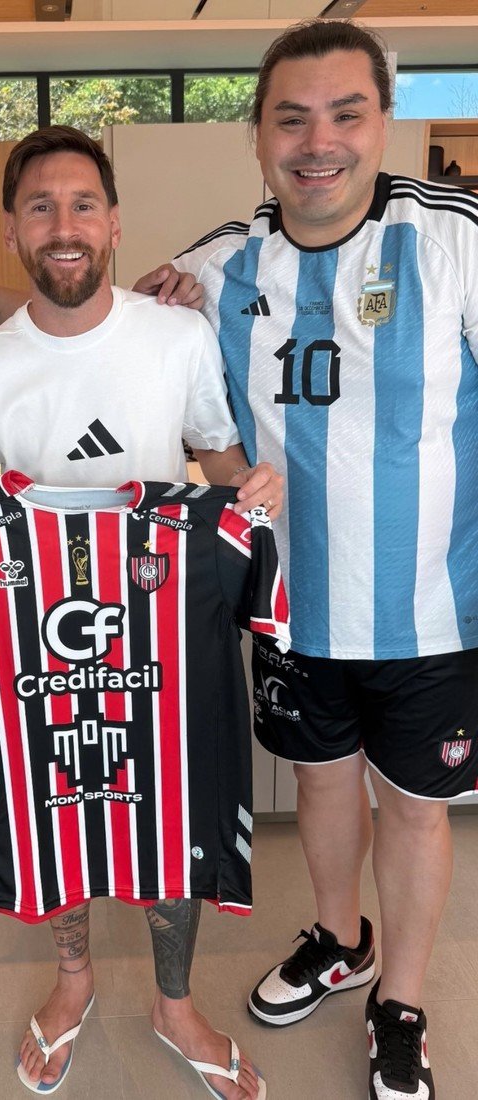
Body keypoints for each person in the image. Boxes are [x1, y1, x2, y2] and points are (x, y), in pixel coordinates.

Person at [0, 124, 285, 1100]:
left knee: (172, 820)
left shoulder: (179, 336)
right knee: (56, 812)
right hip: (43, 654)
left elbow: (219, 457)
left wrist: (253, 493)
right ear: (12, 230)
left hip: (162, 637)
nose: (63, 224)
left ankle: (171, 998)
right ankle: (73, 979)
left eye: (82, 204)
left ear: (114, 222)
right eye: (41, 206)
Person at [173, 18, 478, 1100]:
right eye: (291, 118)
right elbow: (144, 372)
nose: (319, 141)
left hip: (430, 609)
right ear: (258, 136)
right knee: (322, 783)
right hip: (294, 606)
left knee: (415, 804)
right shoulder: (214, 269)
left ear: (382, 122)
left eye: (346, 114)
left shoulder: (456, 240)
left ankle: (399, 998)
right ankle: (337, 935)